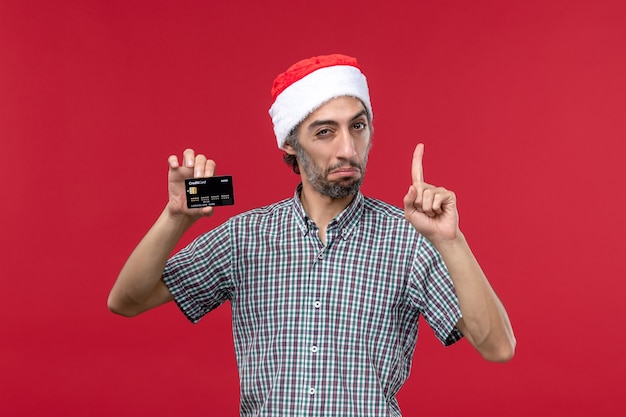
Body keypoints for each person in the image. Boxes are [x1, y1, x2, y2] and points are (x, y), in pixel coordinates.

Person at [108, 54, 516, 416]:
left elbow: (497, 347)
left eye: (358, 127)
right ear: (290, 144)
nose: (348, 149)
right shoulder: (246, 237)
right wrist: (175, 218)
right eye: (325, 132)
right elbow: (127, 301)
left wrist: (450, 241)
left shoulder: (408, 238)